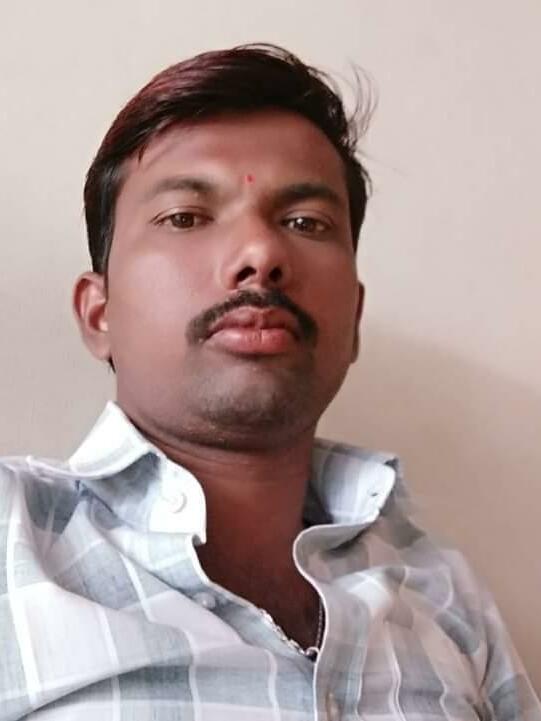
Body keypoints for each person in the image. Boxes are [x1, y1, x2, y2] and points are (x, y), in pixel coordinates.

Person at [0, 44, 538, 721]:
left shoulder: (442, 591)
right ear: (98, 313)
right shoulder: (13, 543)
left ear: (353, 319)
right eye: (185, 217)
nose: (260, 253)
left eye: (305, 222)